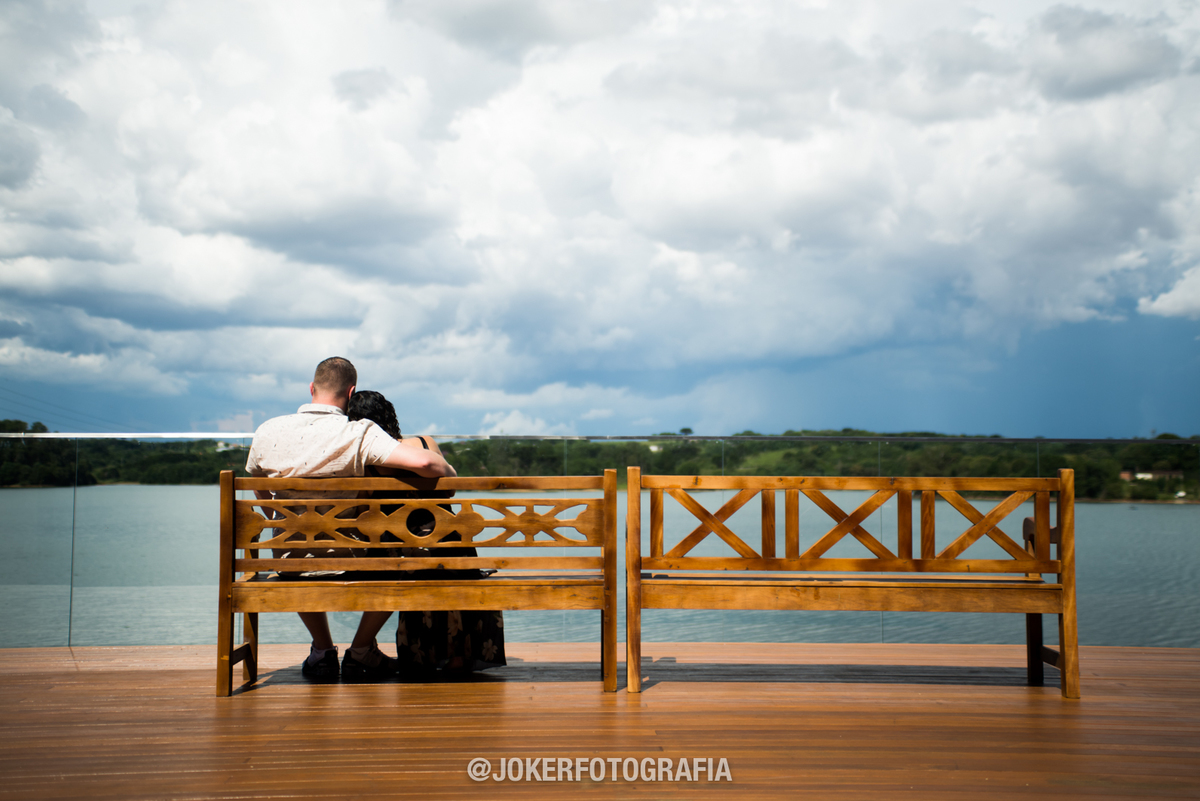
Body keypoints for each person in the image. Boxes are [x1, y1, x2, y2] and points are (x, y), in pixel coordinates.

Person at [245, 357, 457, 683]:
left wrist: (278, 519)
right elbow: (427, 466)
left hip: (288, 559)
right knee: (395, 564)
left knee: (296, 554)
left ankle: (322, 651)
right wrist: (447, 470)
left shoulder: (267, 431)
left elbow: (260, 491)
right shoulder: (359, 433)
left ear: (312, 388)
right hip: (349, 558)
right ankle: (360, 650)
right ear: (351, 392)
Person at [347, 390, 506, 679]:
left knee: (403, 557)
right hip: (449, 543)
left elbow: (363, 515)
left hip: (402, 552)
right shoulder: (425, 443)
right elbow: (450, 490)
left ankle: (408, 654)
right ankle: (457, 657)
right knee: (444, 550)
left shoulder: (368, 463)